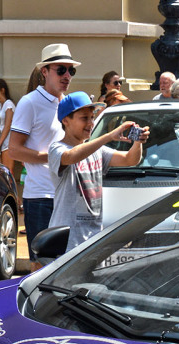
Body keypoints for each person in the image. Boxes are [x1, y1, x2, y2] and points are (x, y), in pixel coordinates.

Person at [48, 91, 147, 250]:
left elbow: (130, 159)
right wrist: (108, 136)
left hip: (93, 239)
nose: (91, 123)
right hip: (67, 241)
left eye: (92, 117)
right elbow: (71, 156)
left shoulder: (96, 150)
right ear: (66, 120)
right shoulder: (56, 148)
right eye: (84, 118)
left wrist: (138, 142)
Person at [8, 43, 78, 246]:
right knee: (40, 265)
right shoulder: (29, 102)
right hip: (41, 196)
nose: (67, 76)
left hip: (67, 194)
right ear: (44, 71)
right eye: (61, 70)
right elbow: (14, 150)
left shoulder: (67, 103)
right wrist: (56, 157)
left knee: (67, 262)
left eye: (71, 70)